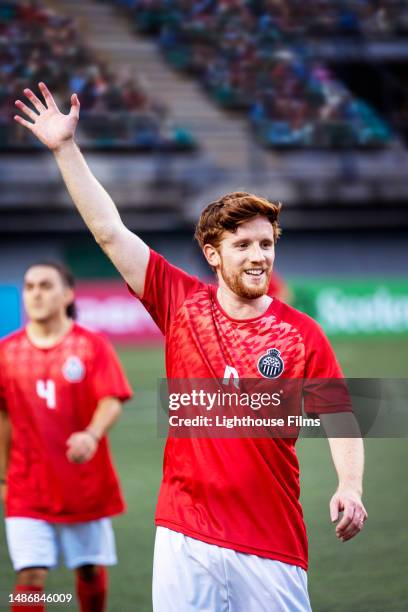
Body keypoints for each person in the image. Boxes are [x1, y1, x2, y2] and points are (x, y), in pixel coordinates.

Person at [13, 83, 367, 612]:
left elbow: (338, 413)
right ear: (212, 253)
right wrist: (66, 148)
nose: (258, 256)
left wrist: (351, 486)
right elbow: (110, 232)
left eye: (266, 243)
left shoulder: (301, 333)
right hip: (185, 537)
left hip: (271, 544)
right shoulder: (179, 301)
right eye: (242, 244)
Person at [0, 261, 132, 612]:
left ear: (68, 294)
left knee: (88, 570)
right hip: (27, 483)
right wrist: (2, 476)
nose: (36, 293)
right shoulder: (6, 353)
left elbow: (111, 399)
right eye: (29, 286)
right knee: (29, 576)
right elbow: (3, 418)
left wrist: (91, 434)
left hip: (83, 482)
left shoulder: (91, 347)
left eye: (45, 285)